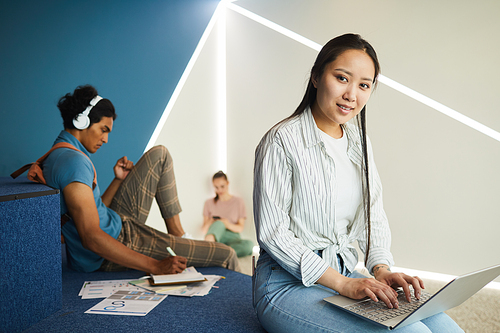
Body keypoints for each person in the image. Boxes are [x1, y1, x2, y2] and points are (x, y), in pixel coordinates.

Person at [252, 34, 463, 332]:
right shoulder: (281, 141)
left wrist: (381, 270)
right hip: (286, 285)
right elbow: (273, 235)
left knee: (446, 329)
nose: (352, 94)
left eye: (364, 85)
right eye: (342, 78)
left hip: (346, 276)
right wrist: (343, 284)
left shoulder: (358, 142)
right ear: (316, 77)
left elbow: (372, 215)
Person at [42, 84, 240, 274]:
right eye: (103, 129)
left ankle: (178, 235)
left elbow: (91, 213)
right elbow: (92, 237)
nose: (106, 139)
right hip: (118, 241)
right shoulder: (74, 163)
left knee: (159, 155)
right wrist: (155, 266)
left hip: (116, 223)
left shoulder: (60, 154)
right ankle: (181, 242)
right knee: (226, 253)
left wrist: (118, 180)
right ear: (81, 122)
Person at [202, 171, 253, 257]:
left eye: (222, 186)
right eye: (216, 187)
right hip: (216, 237)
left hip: (232, 238)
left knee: (249, 245)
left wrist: (226, 223)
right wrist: (212, 221)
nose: (219, 190)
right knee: (219, 223)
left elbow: (240, 228)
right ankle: (207, 251)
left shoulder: (238, 201)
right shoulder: (209, 203)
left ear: (227, 183)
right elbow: (204, 230)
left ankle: (219, 254)